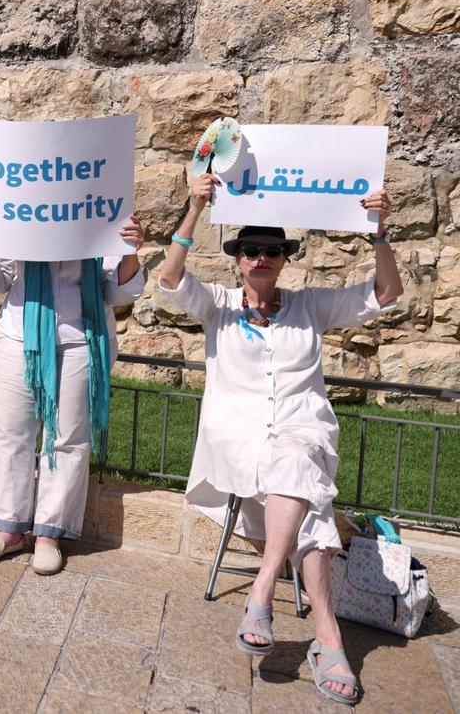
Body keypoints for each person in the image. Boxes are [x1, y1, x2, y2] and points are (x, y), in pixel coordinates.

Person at [158, 172, 402, 706]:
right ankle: (327, 638)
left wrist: (379, 230)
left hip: (301, 429)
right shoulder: (219, 305)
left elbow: (387, 292)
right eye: (251, 249)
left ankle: (263, 591)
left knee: (297, 462)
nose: (261, 257)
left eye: (272, 249)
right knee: (309, 495)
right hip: (239, 438)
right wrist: (194, 211)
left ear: (285, 258)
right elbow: (171, 281)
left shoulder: (310, 305)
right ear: (238, 257)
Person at [0, 215, 146, 574]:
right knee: (13, 433)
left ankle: (49, 533)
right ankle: (8, 529)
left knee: (69, 438)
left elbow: (120, 292)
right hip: (20, 336)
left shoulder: (103, 206)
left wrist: (130, 251)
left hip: (81, 338)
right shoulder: (23, 204)